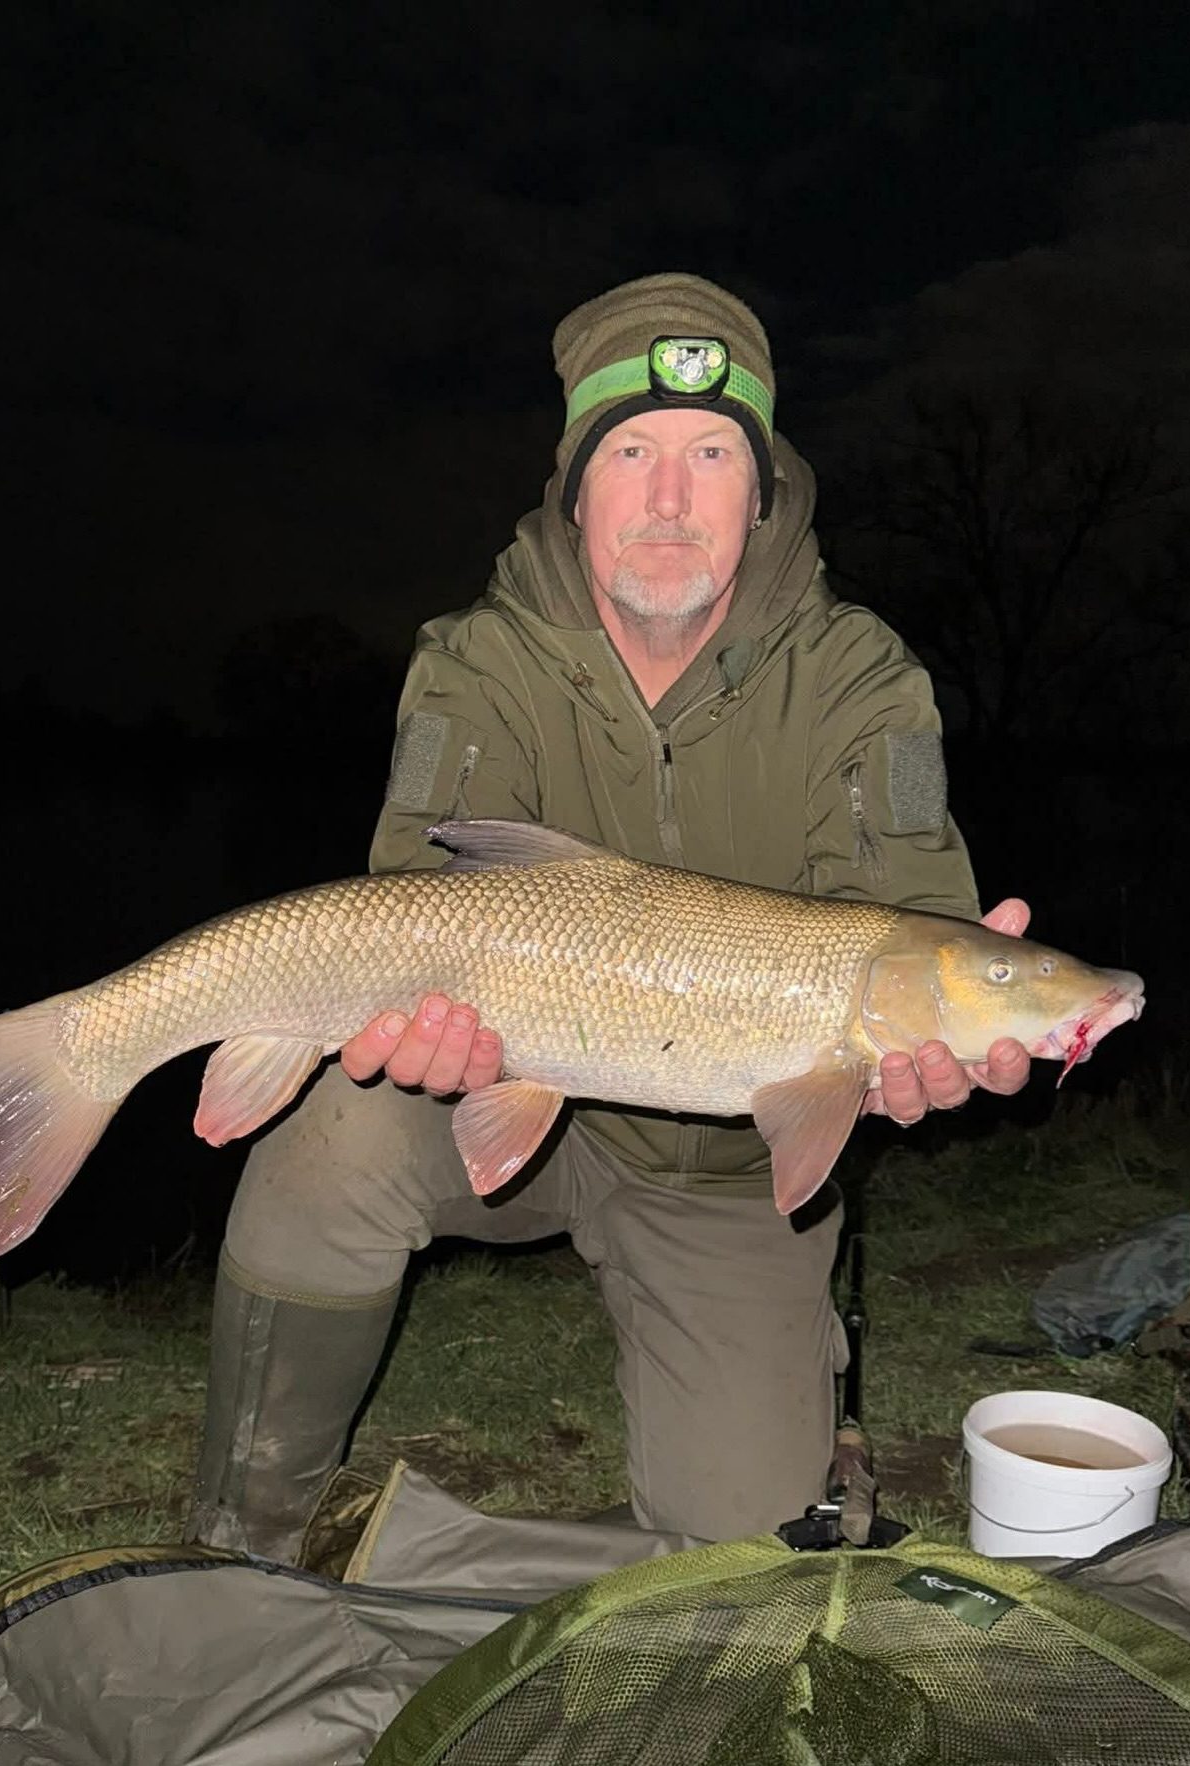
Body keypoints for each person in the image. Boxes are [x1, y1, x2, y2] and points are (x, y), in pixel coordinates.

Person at [185, 274, 1031, 1557]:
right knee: (331, 1133)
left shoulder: (864, 674)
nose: (673, 497)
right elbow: (417, 897)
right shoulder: (478, 658)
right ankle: (241, 1538)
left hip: (730, 1176)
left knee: (745, 1547)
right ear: (577, 488)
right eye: (631, 452)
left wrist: (941, 1035)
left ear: (766, 490)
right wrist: (424, 1031)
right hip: (520, 1089)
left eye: (711, 455)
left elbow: (913, 912)